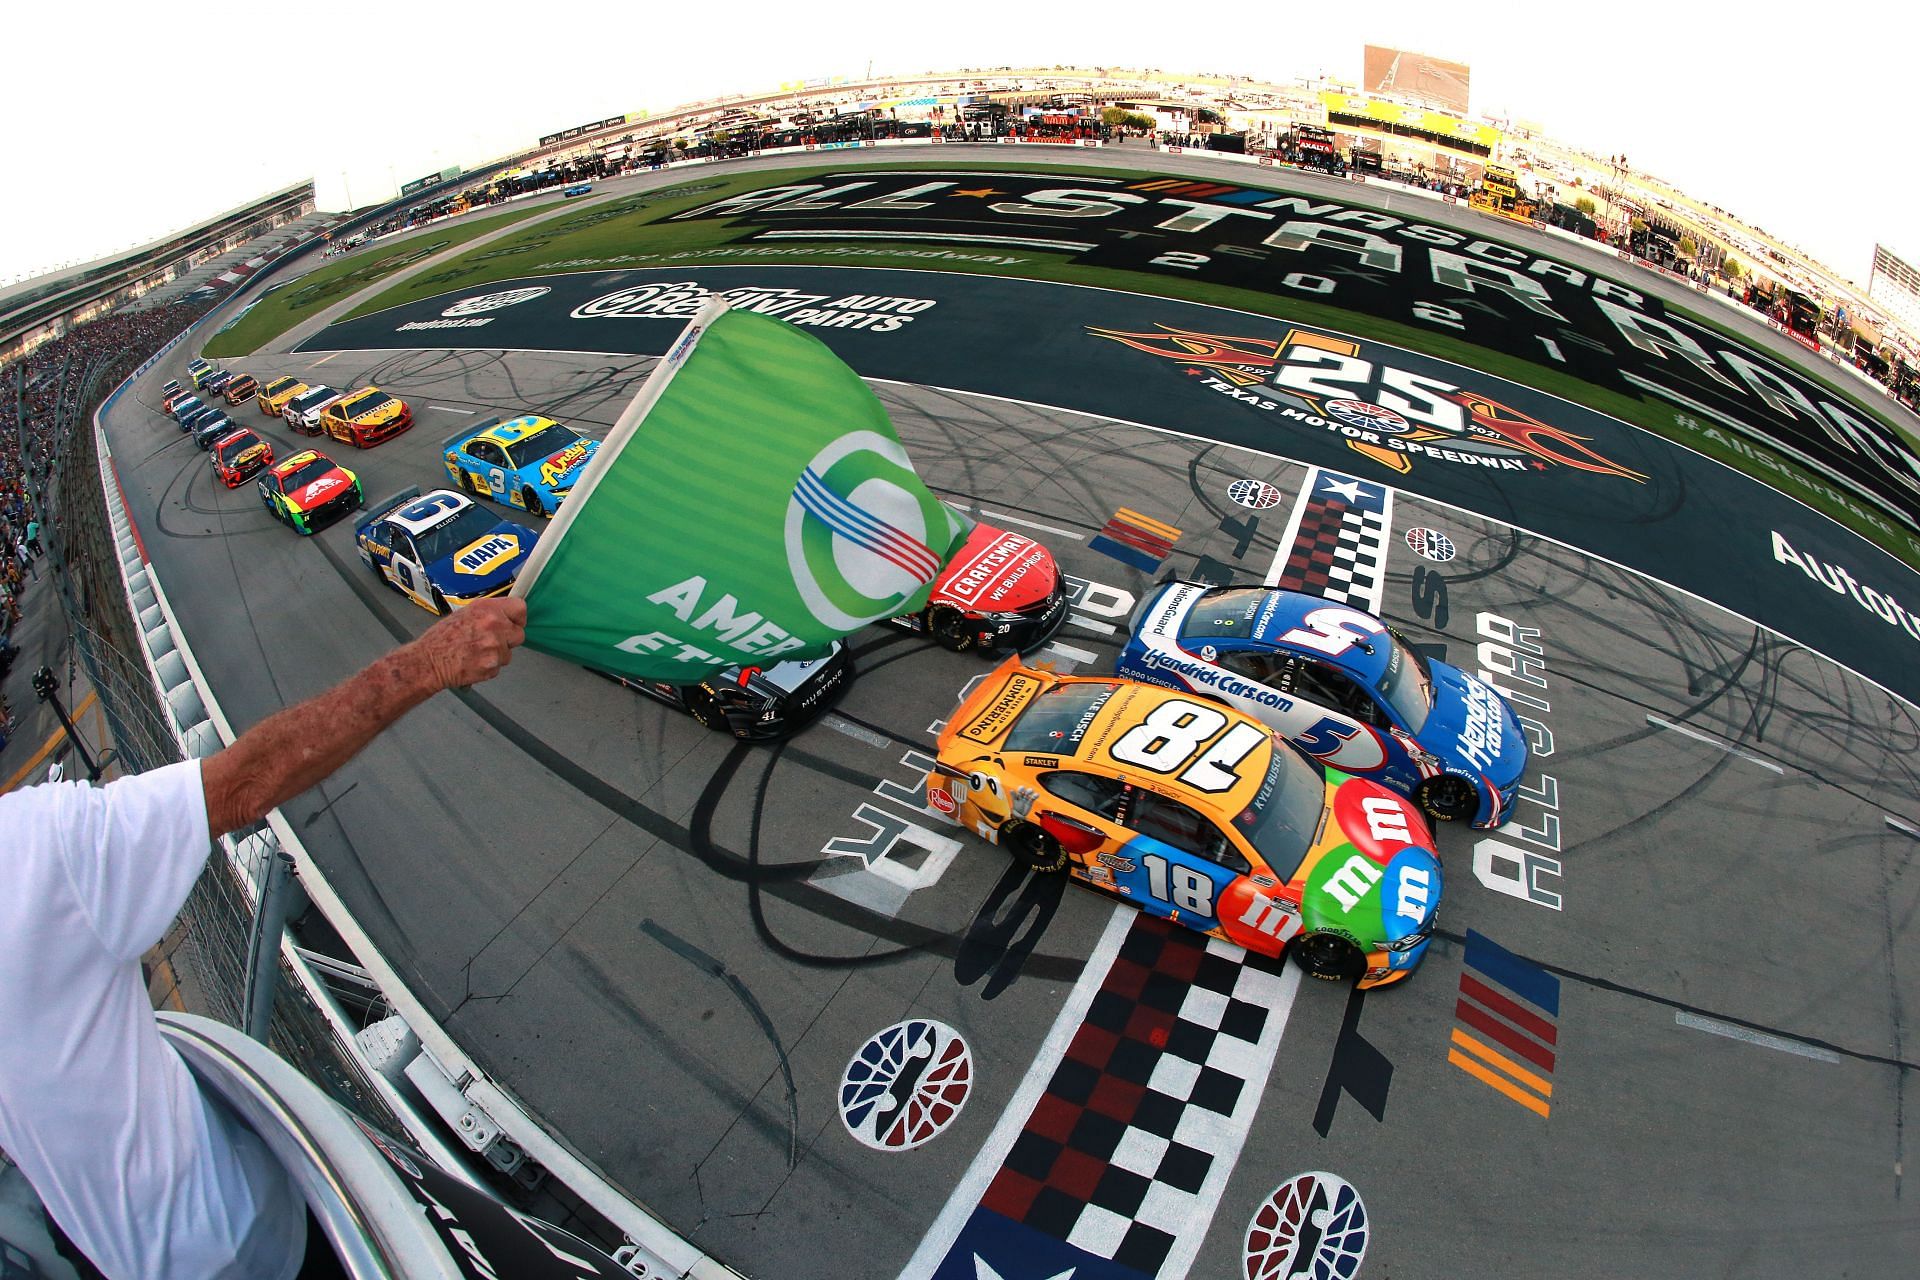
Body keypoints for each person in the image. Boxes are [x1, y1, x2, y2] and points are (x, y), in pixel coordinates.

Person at [0, 596, 527, 1280]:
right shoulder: (28, 850)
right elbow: (244, 786)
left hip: (108, 1251)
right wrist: (429, 662)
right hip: (251, 1241)